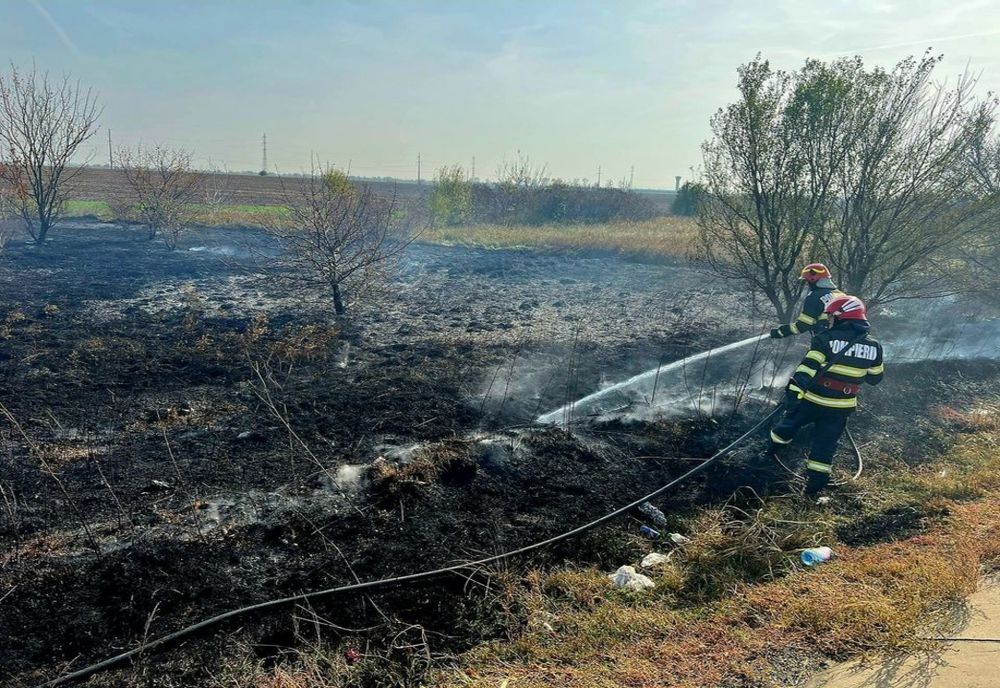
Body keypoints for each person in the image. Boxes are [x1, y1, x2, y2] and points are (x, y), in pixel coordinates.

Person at [769, 295, 884, 495]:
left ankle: (770, 453)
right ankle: (814, 487)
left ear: (841, 316)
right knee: (826, 444)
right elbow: (875, 378)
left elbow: (807, 369)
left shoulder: (825, 339)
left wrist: (793, 395)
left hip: (813, 400)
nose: (830, 320)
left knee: (788, 425)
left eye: (832, 316)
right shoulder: (875, 347)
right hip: (841, 408)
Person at [770, 263, 844, 339]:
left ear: (812, 279)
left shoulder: (815, 296)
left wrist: (781, 332)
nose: (807, 284)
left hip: (826, 339)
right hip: (847, 340)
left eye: (807, 281)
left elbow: (803, 325)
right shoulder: (841, 295)